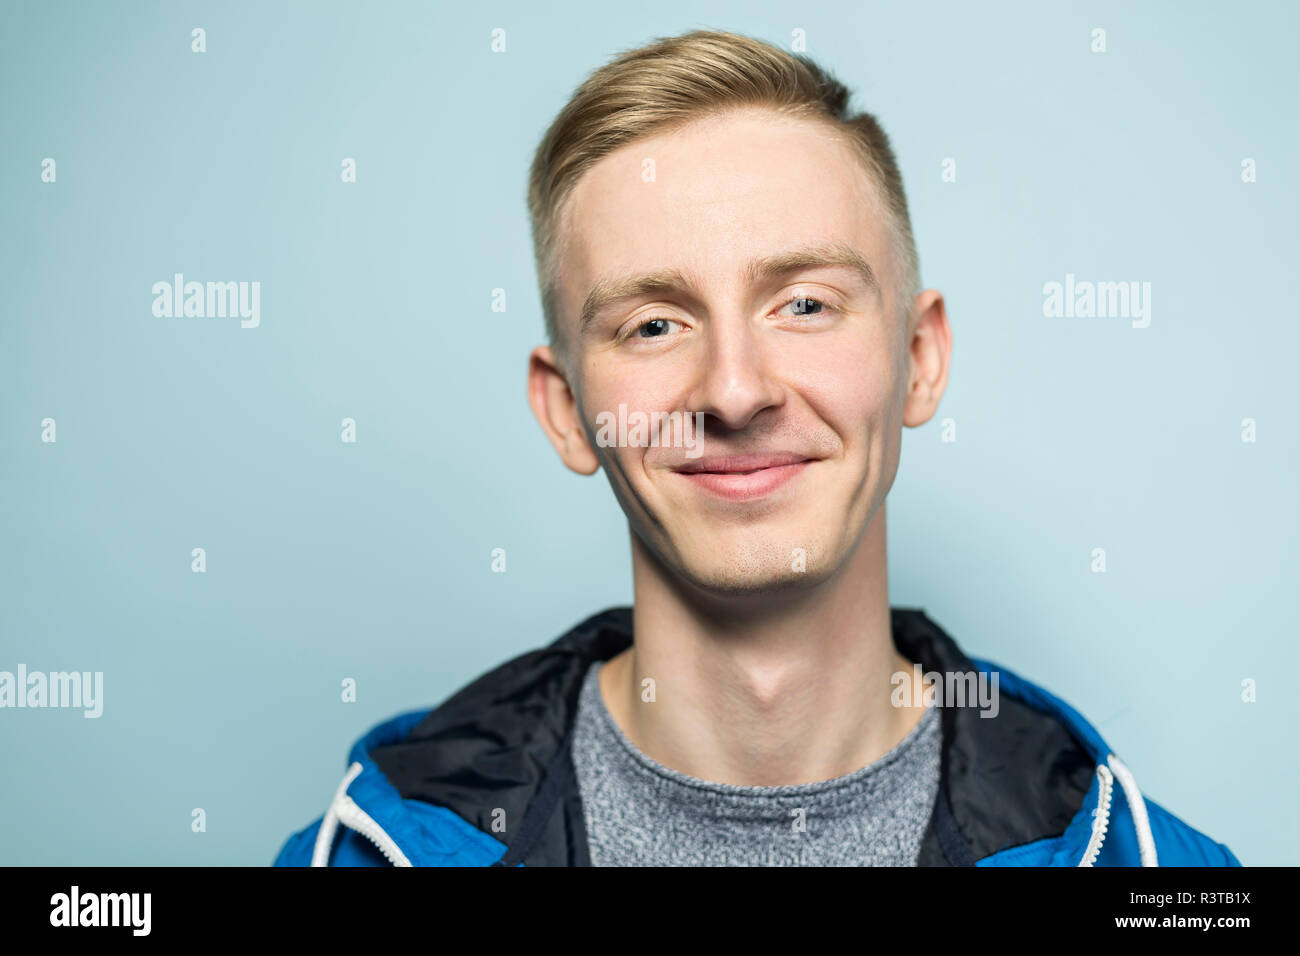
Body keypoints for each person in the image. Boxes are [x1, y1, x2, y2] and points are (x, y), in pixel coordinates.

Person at [274, 28, 1240, 867]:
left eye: (806, 305)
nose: (735, 391)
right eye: (653, 325)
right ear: (566, 408)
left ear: (918, 356)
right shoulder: (359, 857)